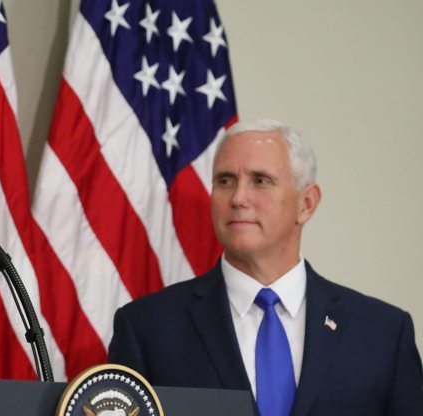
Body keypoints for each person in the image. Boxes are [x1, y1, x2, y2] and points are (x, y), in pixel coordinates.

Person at [108, 119, 423, 415]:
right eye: (225, 180)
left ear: (306, 204)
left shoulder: (383, 333)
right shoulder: (146, 329)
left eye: (261, 180)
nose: (238, 197)